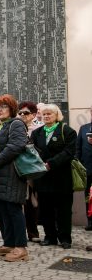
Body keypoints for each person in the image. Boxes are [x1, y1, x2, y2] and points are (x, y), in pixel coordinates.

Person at [0, 94, 28, 262]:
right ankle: (9, 243)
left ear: (12, 109)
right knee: (2, 211)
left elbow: (15, 147)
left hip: (11, 175)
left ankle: (21, 247)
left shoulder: (16, 124)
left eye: (3, 107)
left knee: (14, 210)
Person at [31, 104, 76, 249]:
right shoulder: (36, 133)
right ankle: (50, 237)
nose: (46, 116)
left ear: (57, 115)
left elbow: (68, 152)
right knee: (45, 209)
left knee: (63, 210)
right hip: (42, 178)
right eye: (44, 114)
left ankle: (65, 238)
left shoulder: (67, 131)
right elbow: (32, 152)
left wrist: (50, 163)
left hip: (62, 178)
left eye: (49, 114)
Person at [17, 101, 41, 243]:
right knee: (19, 202)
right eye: (19, 113)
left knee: (32, 202)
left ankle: (33, 232)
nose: (22, 115)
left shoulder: (39, 129)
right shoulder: (16, 127)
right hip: (17, 170)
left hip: (33, 170)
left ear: (33, 114)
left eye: (25, 113)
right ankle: (21, 232)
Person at [76, 105, 92, 231]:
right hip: (87, 169)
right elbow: (78, 149)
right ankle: (90, 221)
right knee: (88, 196)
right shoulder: (84, 128)